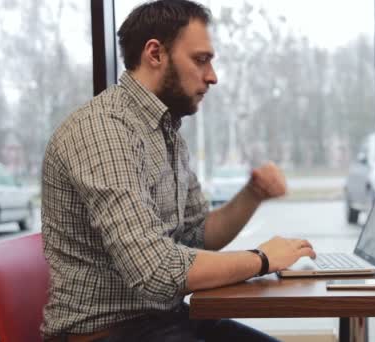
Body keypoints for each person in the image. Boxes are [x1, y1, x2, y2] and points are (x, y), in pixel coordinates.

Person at [40, 1, 316, 341]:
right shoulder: (104, 130)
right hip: (108, 333)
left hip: (165, 320)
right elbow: (155, 270)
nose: (212, 76)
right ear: (155, 54)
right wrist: (261, 259)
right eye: (201, 60)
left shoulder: (165, 131)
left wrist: (253, 194)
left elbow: (196, 236)